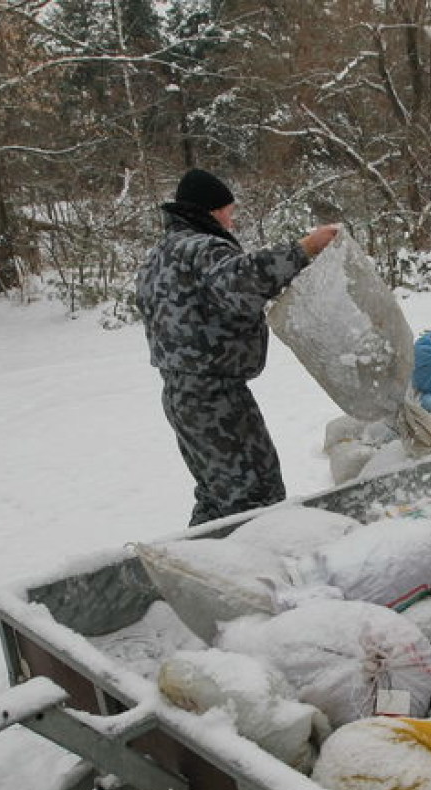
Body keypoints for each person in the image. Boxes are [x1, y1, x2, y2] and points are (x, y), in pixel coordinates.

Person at [136, 168, 339, 526]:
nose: (231, 220)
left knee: (217, 499)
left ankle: (197, 564)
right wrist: (305, 248)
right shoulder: (202, 248)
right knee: (256, 499)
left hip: (181, 395)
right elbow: (241, 281)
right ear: (211, 211)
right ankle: (250, 574)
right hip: (215, 398)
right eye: (228, 210)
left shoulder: (160, 254)